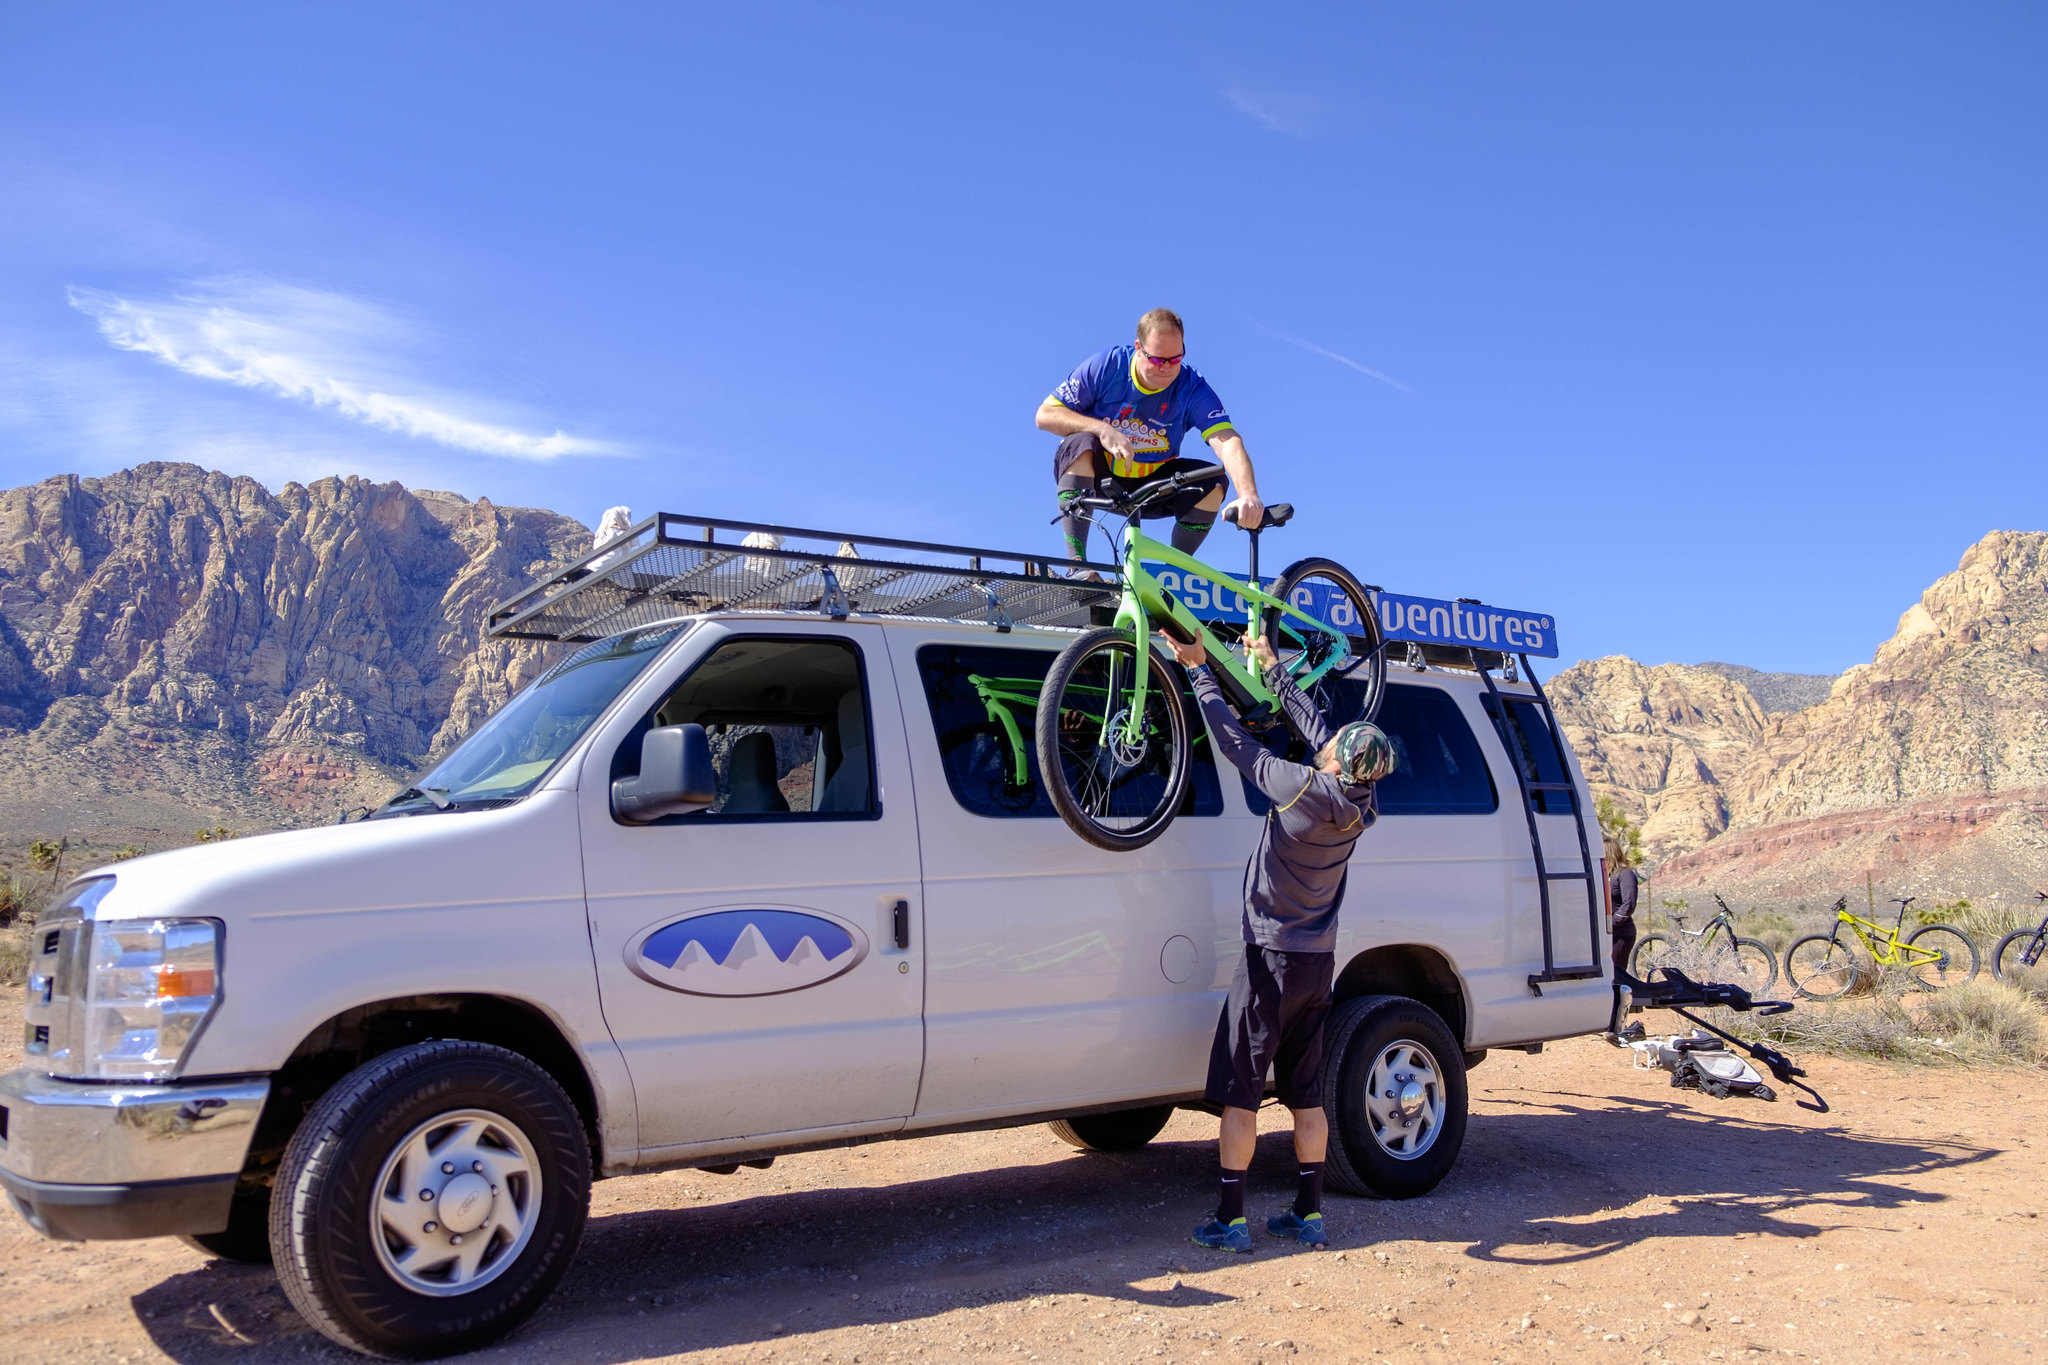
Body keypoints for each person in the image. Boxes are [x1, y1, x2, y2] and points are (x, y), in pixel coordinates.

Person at [1167, 630, 1396, 1252]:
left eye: (1332, 750)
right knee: (1304, 1094)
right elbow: (1318, 727)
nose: (1325, 746)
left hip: (1268, 958)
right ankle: (1309, 1213)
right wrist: (1272, 669)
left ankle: (1231, 1219)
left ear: (1334, 765)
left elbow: (1236, 743)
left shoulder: (1300, 791)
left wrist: (1199, 673)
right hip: (1316, 965)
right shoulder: (1361, 803)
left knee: (1243, 1090)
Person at [1036, 308, 1266, 565]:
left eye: (1175, 359)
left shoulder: (1191, 387)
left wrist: (1248, 494)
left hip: (1152, 486)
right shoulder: (1107, 366)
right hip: (1099, 479)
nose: (1167, 368)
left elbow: (1228, 440)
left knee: (1212, 480)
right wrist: (1103, 430)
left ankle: (1174, 573)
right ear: (1138, 347)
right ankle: (1077, 564)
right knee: (1081, 442)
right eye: (1158, 360)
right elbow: (1045, 415)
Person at [1607, 832, 1639, 980]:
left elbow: (1629, 904)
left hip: (1621, 934)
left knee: (1616, 975)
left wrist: (1612, 923)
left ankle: (1627, 1002)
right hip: (1606, 934)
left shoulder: (1625, 874)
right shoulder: (1607, 875)